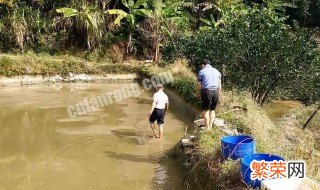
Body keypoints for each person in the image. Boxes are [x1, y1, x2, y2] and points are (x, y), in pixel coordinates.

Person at [197, 59, 221, 130]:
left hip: (206, 91)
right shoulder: (217, 71)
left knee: (205, 110)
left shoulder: (202, 72)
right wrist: (218, 93)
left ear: (203, 65)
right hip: (216, 91)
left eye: (201, 66)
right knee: (212, 110)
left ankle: (207, 128)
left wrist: (200, 92)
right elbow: (219, 84)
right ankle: (210, 127)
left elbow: (199, 84)